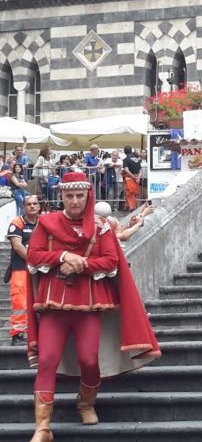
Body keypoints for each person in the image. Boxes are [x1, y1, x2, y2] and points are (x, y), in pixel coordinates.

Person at [25, 171, 161, 441]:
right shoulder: (46, 222)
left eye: (79, 195)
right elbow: (33, 254)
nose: (74, 201)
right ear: (61, 195)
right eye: (69, 195)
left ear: (87, 196)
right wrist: (62, 256)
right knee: (47, 360)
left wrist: (82, 263)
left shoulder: (101, 226)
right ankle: (43, 426)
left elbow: (111, 261)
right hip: (54, 304)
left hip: (89, 303)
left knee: (89, 359)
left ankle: (86, 402)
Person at [6, 195, 39, 346]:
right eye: (29, 204)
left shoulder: (43, 223)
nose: (32, 206)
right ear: (24, 207)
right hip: (21, 268)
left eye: (34, 204)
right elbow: (18, 246)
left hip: (39, 270)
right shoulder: (17, 222)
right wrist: (36, 260)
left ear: (39, 206)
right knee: (20, 302)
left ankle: (38, 332)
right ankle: (18, 334)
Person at [122, 146, 142, 211]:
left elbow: (126, 170)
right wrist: (138, 177)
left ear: (125, 151)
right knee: (135, 193)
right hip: (137, 179)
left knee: (130, 193)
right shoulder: (137, 159)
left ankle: (132, 208)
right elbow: (140, 170)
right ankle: (128, 206)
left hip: (129, 179)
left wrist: (133, 177)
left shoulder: (126, 159)